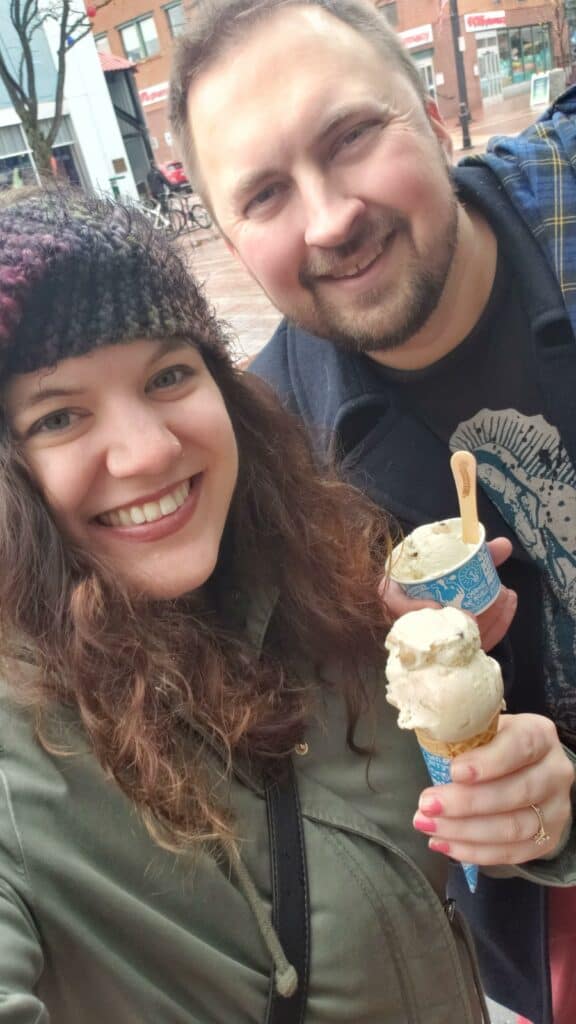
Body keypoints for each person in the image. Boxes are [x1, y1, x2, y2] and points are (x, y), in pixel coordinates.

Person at [0, 187, 574, 1023]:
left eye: (168, 374)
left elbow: (454, 851)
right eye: (59, 416)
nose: (150, 450)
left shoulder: (328, 593)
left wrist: (537, 815)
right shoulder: (21, 753)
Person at [169, 2, 576, 1021]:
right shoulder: (267, 458)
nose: (330, 217)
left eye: (352, 136)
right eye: (264, 194)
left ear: (437, 115)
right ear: (230, 240)